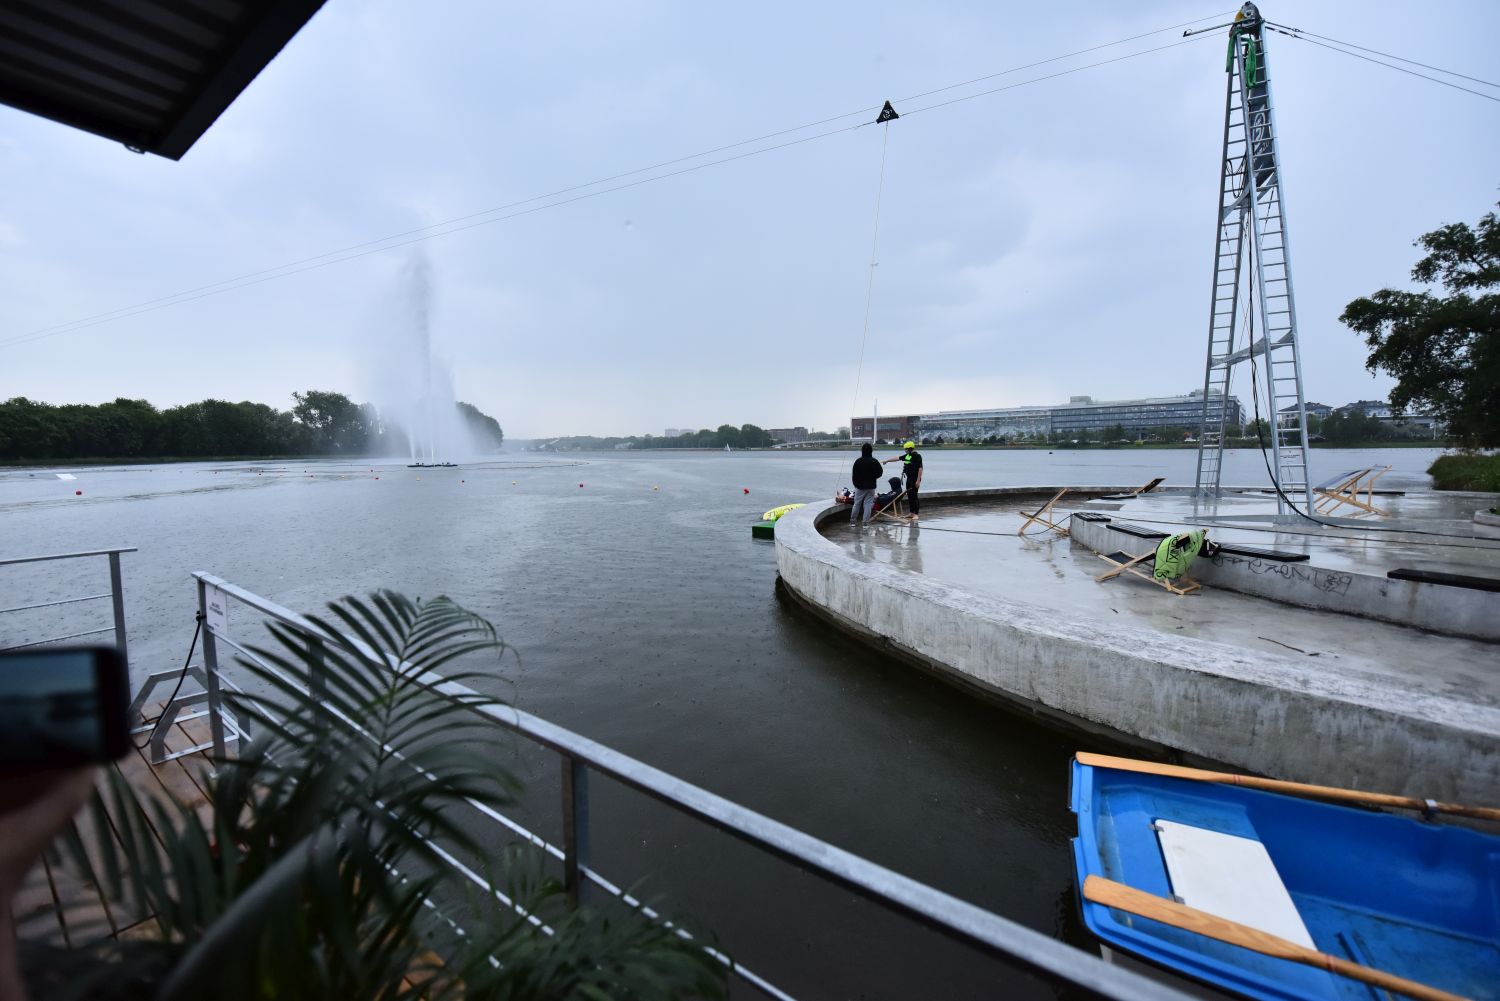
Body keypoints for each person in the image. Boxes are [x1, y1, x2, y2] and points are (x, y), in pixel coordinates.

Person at [883, 440, 923, 520]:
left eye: (905, 449)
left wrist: (918, 481)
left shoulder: (917, 456)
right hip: (908, 478)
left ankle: (916, 514)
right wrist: (887, 461)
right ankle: (911, 513)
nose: (905, 450)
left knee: (914, 496)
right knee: (910, 496)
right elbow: (897, 458)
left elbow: (920, 468)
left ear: (909, 449)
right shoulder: (908, 455)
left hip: (915, 479)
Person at [850, 443, 881, 527]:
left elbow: (854, 474)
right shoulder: (874, 461)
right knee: (868, 504)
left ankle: (853, 522)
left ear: (862, 451)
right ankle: (865, 523)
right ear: (871, 451)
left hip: (860, 487)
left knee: (857, 504)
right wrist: (873, 477)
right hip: (871, 487)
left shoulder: (858, 461)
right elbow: (880, 472)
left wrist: (856, 484)